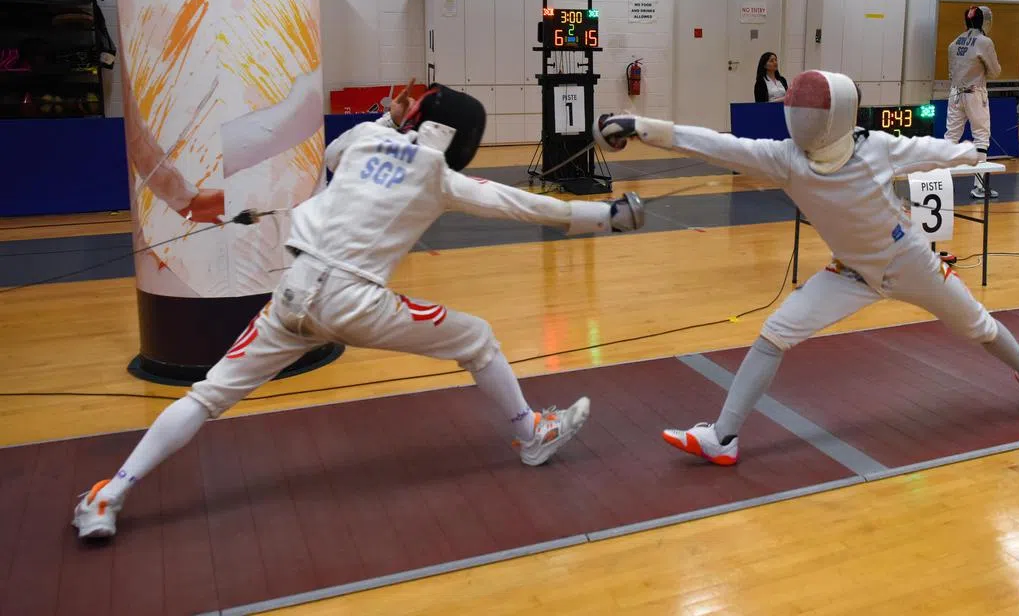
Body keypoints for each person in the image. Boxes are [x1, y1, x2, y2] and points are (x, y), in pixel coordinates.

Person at [73, 81, 646, 539]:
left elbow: (335, 152)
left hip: (290, 298)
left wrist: (390, 119)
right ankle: (531, 435)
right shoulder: (441, 178)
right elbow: (520, 205)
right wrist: (609, 217)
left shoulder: (362, 143)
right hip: (352, 303)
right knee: (477, 339)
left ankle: (109, 494)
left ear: (419, 119)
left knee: (206, 396)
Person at [594, 69, 1019, 467]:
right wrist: (640, 125)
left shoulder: (875, 147)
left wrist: (972, 153)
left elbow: (930, 148)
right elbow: (713, 145)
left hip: (912, 263)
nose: (801, 117)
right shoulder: (784, 159)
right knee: (775, 332)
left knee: (978, 326)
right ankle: (723, 437)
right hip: (850, 273)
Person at [946, 6, 1000, 199]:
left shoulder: (954, 43)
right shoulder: (985, 42)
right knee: (981, 137)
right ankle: (979, 187)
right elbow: (995, 71)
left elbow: (951, 71)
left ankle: (943, 181)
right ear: (984, 21)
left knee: (951, 136)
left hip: (955, 93)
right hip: (975, 93)